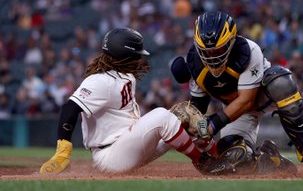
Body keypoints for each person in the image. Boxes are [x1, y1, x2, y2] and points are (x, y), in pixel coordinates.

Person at [40, 27, 216, 174]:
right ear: (124, 55)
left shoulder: (125, 76)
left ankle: (218, 156)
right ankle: (204, 162)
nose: (139, 59)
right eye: (136, 55)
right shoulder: (100, 80)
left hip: (127, 148)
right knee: (163, 116)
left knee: (180, 118)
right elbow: (69, 109)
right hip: (110, 156)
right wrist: (63, 152)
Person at [171, 11, 303, 170]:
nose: (212, 57)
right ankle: (271, 160)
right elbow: (198, 107)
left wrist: (212, 125)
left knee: (280, 81)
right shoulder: (194, 63)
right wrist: (189, 125)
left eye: (218, 50)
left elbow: (247, 100)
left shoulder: (249, 50)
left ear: (232, 41)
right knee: (232, 157)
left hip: (264, 94)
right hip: (236, 110)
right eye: (207, 52)